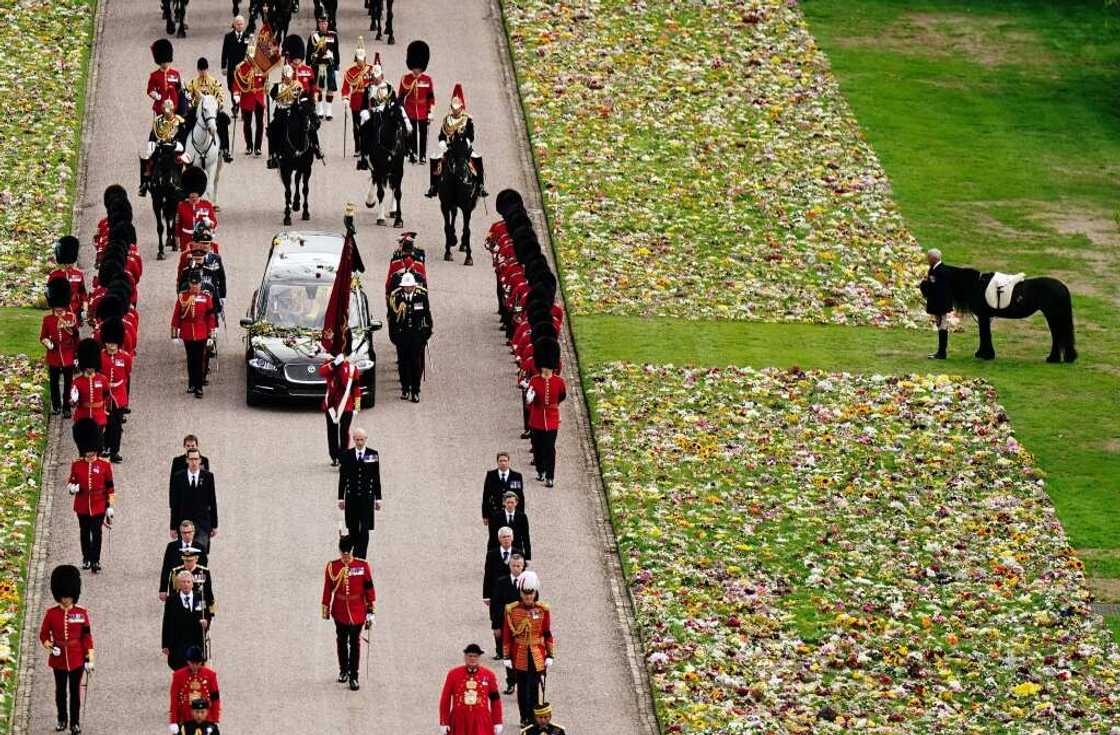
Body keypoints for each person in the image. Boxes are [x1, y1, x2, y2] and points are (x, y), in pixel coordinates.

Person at [39, 565, 92, 735]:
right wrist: (50, 645)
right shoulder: (51, 614)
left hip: (77, 657)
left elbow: (87, 637)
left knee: (75, 692)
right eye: (63, 597)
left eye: (68, 597)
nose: (66, 600)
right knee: (60, 691)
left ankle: (75, 723)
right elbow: (44, 635)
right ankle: (62, 719)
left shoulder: (81, 613)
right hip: (59, 658)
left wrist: (90, 658)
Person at [321, 535, 376, 691]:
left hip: (358, 610)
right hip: (340, 611)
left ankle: (354, 676)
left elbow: (369, 589)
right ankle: (343, 669)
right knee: (341, 641)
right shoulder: (333, 567)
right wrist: (325, 606)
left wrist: (371, 611)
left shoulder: (362, 566)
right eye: (343, 552)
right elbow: (327, 588)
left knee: (355, 643)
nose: (345, 555)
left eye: (347, 552)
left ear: (351, 550)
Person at [502, 571, 553, 726]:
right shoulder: (512, 610)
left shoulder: (542, 610)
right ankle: (524, 717)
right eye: (525, 594)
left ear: (535, 594)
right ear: (521, 594)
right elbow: (507, 635)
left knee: (534, 687)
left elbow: (547, 632)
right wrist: (506, 656)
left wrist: (550, 655)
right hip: (519, 653)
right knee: (522, 689)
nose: (528, 598)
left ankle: (535, 717)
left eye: (530, 595)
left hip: (536, 653)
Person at [66, 420, 115, 574]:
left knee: (97, 532)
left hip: (99, 504)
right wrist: (73, 488)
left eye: (91, 450)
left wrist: (110, 506)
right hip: (82, 504)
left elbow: (110, 487)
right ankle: (86, 557)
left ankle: (95, 560)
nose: (89, 453)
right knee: (84, 532)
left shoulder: (104, 465)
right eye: (87, 450)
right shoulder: (77, 464)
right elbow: (71, 482)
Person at [426, 83, 487, 199]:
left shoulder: (467, 120)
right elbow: (442, 135)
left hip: (464, 147)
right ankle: (433, 186)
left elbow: (471, 135)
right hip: (449, 148)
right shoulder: (446, 119)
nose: (455, 112)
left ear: (461, 108)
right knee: (434, 159)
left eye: (457, 109)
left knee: (477, 158)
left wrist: (466, 143)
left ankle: (480, 186)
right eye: (454, 109)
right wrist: (443, 145)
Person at [438, 643, 503, 735]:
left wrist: (497, 721)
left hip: (481, 721)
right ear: (465, 657)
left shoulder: (489, 675)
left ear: (479, 657)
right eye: (470, 656)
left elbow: (495, 700)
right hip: (459, 721)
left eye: (475, 656)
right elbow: (445, 699)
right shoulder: (453, 674)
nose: (472, 659)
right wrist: (444, 721)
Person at [387, 272, 432, 402]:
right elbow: (392, 319)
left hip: (416, 336)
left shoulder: (421, 297)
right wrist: (394, 337)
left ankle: (415, 390)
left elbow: (427, 316)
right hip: (402, 336)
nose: (408, 289)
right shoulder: (396, 297)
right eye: (405, 287)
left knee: (415, 363)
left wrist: (426, 334)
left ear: (414, 286)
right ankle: (405, 388)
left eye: (410, 286)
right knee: (403, 363)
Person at [337, 427, 382, 559]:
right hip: (351, 498)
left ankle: (360, 557)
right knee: (353, 528)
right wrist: (340, 498)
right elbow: (343, 478)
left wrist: (378, 498)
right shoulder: (347, 455)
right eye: (357, 439)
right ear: (353, 439)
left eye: (362, 439)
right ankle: (354, 554)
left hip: (367, 498)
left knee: (365, 529)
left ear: (366, 439)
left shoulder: (372, 454)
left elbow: (376, 477)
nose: (360, 442)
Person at [526, 341, 565, 488]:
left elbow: (562, 396)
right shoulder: (534, 381)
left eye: (549, 367)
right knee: (537, 446)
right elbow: (529, 401)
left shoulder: (559, 382)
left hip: (552, 418)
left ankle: (550, 476)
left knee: (550, 447)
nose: (546, 369)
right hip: (536, 418)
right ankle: (540, 470)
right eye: (545, 366)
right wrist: (530, 399)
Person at [172, 270, 216, 398]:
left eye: (197, 284)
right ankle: (191, 384)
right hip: (187, 333)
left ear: (201, 284)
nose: (194, 286)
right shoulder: (182, 297)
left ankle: (199, 387)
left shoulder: (206, 298)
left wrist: (211, 336)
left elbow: (210, 318)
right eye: (192, 284)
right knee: (190, 359)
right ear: (189, 284)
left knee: (199, 360)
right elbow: (176, 316)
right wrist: (174, 334)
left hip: (201, 332)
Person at [42, 277, 79, 417]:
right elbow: (43, 336)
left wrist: (76, 355)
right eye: (56, 307)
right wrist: (48, 343)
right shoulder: (48, 320)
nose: (58, 309)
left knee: (68, 383)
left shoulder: (71, 317)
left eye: (60, 307)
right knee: (54, 383)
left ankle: (67, 407)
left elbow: (75, 336)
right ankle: (56, 406)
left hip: (68, 353)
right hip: (54, 355)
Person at [266, 64, 316, 168]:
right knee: (272, 130)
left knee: (308, 125)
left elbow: (302, 98)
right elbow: (271, 98)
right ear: (283, 76)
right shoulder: (277, 87)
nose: (288, 79)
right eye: (286, 77)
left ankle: (316, 147)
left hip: (294, 112)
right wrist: (267, 93)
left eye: (290, 76)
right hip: (281, 112)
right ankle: (273, 155)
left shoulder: (297, 86)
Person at [169, 448, 219, 552]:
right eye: (191, 459)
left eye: (196, 459)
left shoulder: (208, 477)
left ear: (200, 460)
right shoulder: (179, 477)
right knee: (186, 555)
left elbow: (212, 501)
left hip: (203, 524)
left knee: (201, 553)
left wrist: (214, 525)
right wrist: (173, 527)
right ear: (187, 460)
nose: (194, 462)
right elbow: (175, 504)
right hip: (184, 524)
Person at [320, 348, 362, 466]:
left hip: (346, 405)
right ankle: (334, 456)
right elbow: (322, 372)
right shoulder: (330, 365)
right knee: (332, 431)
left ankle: (344, 457)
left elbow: (356, 389)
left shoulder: (352, 369)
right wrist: (334, 363)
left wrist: (357, 406)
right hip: (331, 405)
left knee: (344, 431)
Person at [97, 319, 132, 464]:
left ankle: (114, 450)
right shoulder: (100, 356)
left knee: (116, 425)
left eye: (113, 344)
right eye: (109, 343)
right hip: (103, 394)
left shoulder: (124, 357)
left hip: (118, 394)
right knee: (103, 423)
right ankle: (104, 446)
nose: (111, 347)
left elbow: (126, 373)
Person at [489, 554, 525, 694]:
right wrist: (496, 625)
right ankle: (511, 682)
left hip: (523, 626)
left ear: (523, 566)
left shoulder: (528, 582)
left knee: (522, 655)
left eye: (519, 566)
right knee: (508, 654)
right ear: (510, 567)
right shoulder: (501, 582)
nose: (517, 568)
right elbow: (496, 606)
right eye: (514, 566)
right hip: (506, 625)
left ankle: (522, 682)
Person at [162, 570, 211, 671]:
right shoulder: (171, 600)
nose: (186, 584)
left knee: (196, 670)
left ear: (192, 584)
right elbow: (166, 622)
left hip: (196, 640)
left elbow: (206, 614)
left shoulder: (200, 598)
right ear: (179, 584)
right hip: (178, 641)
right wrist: (165, 644)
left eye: (188, 582)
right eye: (183, 582)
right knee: (180, 669)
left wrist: (206, 622)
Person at [140, 99, 187, 198]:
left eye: (169, 111)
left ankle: (183, 187)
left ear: (173, 109)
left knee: (185, 162)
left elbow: (183, 136)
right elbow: (153, 135)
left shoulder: (179, 120)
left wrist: (177, 144)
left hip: (175, 146)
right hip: (160, 145)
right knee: (146, 159)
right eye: (166, 111)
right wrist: (151, 147)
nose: (167, 113)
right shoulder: (158, 120)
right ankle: (144, 183)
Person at [69, 339, 109, 454]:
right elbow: (73, 402)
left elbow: (106, 394)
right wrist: (73, 400)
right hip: (83, 416)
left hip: (98, 417)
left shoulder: (102, 379)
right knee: (83, 448)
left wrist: (104, 409)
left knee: (98, 447)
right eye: (89, 366)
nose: (91, 369)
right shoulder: (77, 382)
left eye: (92, 366)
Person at [168, 646, 221, 731]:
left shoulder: (211, 675)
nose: (195, 666)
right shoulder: (178, 676)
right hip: (185, 718)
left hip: (206, 719)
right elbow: (174, 699)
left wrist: (215, 718)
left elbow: (215, 698)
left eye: (198, 663)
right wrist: (173, 721)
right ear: (188, 662)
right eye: (192, 663)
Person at [398, 40, 433, 163]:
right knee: (411, 133)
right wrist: (401, 111)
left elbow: (430, 97)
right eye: (415, 67)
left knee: (423, 134)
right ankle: (413, 153)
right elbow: (401, 96)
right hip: (410, 109)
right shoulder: (405, 79)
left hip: (423, 110)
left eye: (418, 67)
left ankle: (422, 155)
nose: (416, 70)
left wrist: (430, 111)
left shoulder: (427, 80)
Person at [160, 521, 210, 601]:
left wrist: (206, 593)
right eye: (184, 533)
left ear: (193, 532)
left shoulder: (200, 548)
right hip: (176, 586)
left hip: (194, 587)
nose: (187, 535)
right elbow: (166, 568)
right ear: (180, 533)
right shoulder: (172, 547)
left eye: (189, 532)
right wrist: (163, 589)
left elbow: (203, 570)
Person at [231, 43, 266, 156]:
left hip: (259, 97)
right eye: (250, 56)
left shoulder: (262, 66)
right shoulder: (241, 67)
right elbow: (237, 81)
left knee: (260, 123)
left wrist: (268, 85)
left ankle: (258, 147)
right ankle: (249, 145)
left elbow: (265, 80)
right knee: (247, 123)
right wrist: (236, 94)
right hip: (247, 97)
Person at [165, 547, 216, 618]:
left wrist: (211, 611)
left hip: (199, 606)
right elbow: (172, 592)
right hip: (181, 605)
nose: (188, 563)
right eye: (185, 561)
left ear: (196, 559)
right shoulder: (176, 572)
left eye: (190, 561)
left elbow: (208, 592)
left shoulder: (204, 572)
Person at [920, 248, 952, 360]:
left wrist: (923, 284)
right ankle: (940, 351)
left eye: (929, 258)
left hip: (940, 304)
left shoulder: (939, 271)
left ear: (933, 259)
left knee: (942, 326)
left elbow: (935, 288)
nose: (928, 260)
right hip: (941, 303)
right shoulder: (938, 269)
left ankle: (942, 353)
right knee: (941, 326)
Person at [341, 41, 373, 154]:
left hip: (368, 101)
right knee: (356, 126)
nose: (361, 62)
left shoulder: (371, 69)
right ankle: (358, 147)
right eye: (359, 60)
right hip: (356, 101)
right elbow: (346, 87)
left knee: (369, 125)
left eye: (363, 59)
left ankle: (368, 147)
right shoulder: (350, 72)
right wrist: (345, 97)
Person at [48, 235, 87, 325]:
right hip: (60, 313)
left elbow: (83, 293)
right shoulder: (54, 275)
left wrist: (85, 310)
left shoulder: (78, 274)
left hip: (76, 311)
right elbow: (50, 296)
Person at [307, 12, 340, 120]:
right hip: (317, 65)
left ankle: (329, 110)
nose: (323, 25)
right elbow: (309, 51)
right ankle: (320, 109)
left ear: (328, 23)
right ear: (318, 24)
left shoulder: (333, 35)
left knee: (330, 87)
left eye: (324, 23)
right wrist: (308, 66)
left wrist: (337, 67)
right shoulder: (313, 36)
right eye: (321, 23)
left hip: (329, 65)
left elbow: (336, 52)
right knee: (318, 88)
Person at [176, 168, 218, 251]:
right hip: (186, 241)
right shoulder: (182, 206)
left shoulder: (207, 205)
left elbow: (214, 223)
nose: (193, 199)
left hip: (203, 241)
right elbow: (178, 224)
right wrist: (177, 237)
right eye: (191, 198)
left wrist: (210, 224)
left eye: (195, 197)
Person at [482, 453, 525, 524]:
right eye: (501, 461)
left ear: (508, 462)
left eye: (505, 461)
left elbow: (520, 496)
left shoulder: (516, 476)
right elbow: (486, 495)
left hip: (511, 512)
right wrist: (485, 515)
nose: (503, 463)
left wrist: (521, 515)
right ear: (497, 462)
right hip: (495, 512)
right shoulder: (491, 475)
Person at [482, 528, 522, 604]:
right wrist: (486, 596)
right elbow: (488, 575)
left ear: (512, 538)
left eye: (508, 536)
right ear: (499, 539)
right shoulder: (492, 555)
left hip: (514, 593)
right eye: (503, 537)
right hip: (496, 593)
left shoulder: (519, 553)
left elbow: (523, 574)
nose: (506, 539)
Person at [147, 39, 185, 118]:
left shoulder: (175, 73)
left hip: (174, 108)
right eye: (163, 62)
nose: (166, 64)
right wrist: (154, 95)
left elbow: (179, 89)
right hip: (160, 108)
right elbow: (150, 90)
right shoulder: (154, 75)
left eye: (167, 61)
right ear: (159, 61)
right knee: (155, 130)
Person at [487, 492, 531, 560]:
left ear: (516, 503)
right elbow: (492, 537)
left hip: (516, 551)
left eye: (512, 502)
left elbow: (526, 537)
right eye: (508, 502)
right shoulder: (496, 517)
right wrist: (489, 555)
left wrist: (527, 556)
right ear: (504, 503)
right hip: (501, 551)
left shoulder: (522, 517)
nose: (510, 505)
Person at [220, 16, 249, 115]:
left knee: (243, 87)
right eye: (238, 24)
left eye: (241, 24)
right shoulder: (228, 37)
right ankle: (235, 104)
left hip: (243, 67)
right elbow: (224, 52)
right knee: (231, 87)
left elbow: (250, 52)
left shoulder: (247, 36)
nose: (240, 26)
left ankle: (240, 107)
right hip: (232, 66)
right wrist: (223, 66)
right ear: (234, 25)